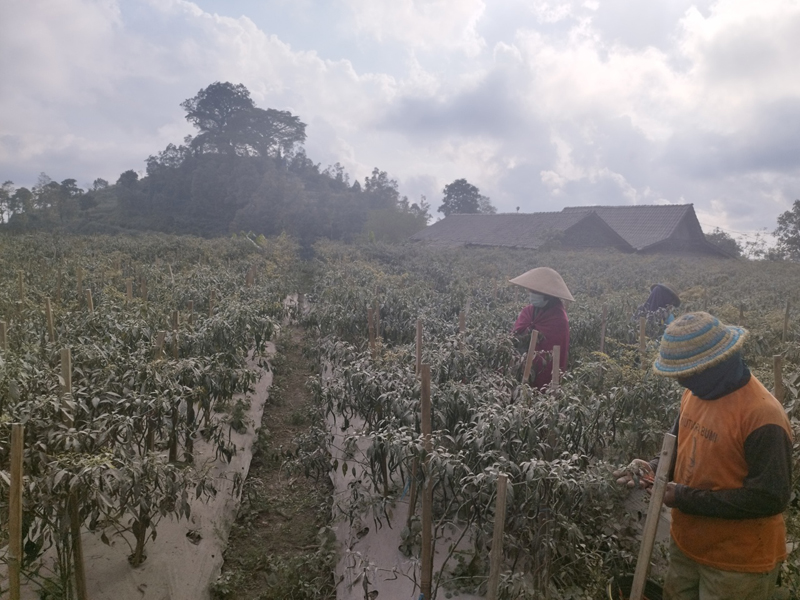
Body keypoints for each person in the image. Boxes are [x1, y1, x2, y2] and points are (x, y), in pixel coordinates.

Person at [614, 312, 793, 600]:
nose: (680, 382)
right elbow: (678, 447)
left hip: (737, 565)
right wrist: (654, 467)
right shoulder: (696, 393)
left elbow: (769, 498)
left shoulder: (762, 416)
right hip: (688, 546)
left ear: (712, 366)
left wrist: (683, 497)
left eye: (686, 374)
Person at [509, 267, 573, 389]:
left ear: (548, 296)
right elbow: (514, 336)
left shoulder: (559, 319)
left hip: (543, 369)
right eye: (531, 291)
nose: (532, 295)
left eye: (536, 292)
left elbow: (555, 351)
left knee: (542, 387)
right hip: (521, 364)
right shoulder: (528, 311)